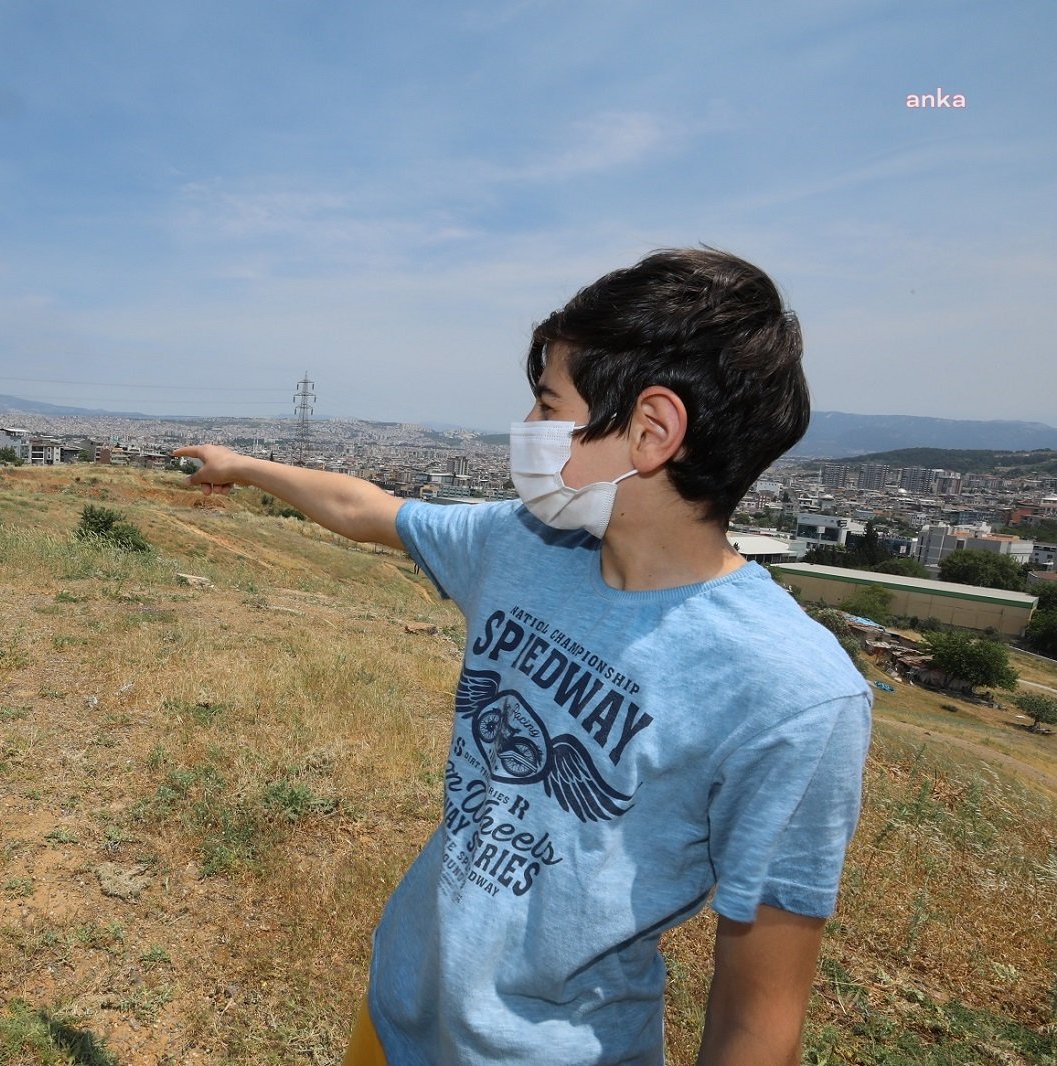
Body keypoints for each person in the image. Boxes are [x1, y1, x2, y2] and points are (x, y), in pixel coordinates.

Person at [174, 248, 872, 1065]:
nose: (529, 432)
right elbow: (371, 510)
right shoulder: (524, 543)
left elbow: (759, 1015)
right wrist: (246, 467)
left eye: (549, 405)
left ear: (651, 430)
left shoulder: (792, 694)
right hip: (400, 1016)